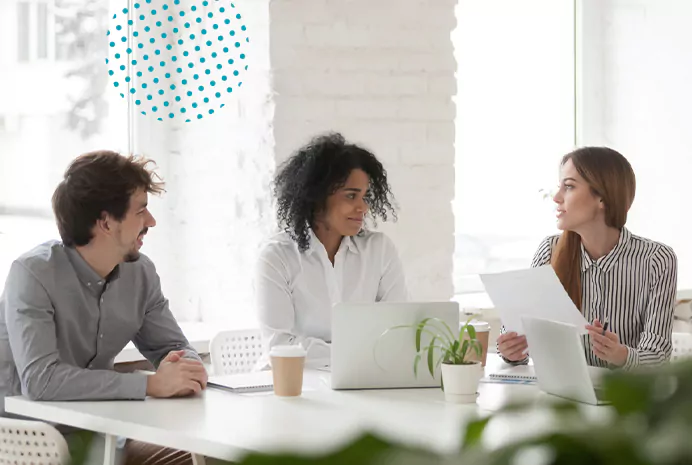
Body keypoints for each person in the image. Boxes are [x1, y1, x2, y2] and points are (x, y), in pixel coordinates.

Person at [0, 150, 207, 464]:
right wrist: (151, 383)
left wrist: (185, 369)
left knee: (201, 456)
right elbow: (41, 380)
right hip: (30, 442)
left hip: (101, 433)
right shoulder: (32, 274)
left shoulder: (141, 273)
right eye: (141, 211)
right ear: (106, 222)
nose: (151, 222)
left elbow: (174, 346)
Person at [496, 147, 678, 369]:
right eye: (559, 186)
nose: (556, 197)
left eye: (569, 186)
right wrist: (512, 351)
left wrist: (621, 355)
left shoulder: (656, 260)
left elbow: (658, 357)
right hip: (561, 397)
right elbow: (522, 335)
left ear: (602, 197)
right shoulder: (549, 250)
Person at [255, 133, 408, 369]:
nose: (363, 207)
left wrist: (361, 354)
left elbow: (396, 330)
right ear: (316, 197)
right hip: (292, 384)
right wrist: (360, 352)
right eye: (350, 195)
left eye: (365, 196)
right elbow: (280, 345)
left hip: (363, 377)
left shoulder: (379, 250)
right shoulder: (277, 257)